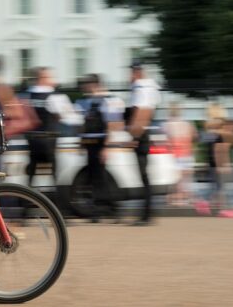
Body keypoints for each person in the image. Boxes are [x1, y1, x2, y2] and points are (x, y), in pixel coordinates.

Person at [75, 74, 125, 223]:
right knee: (93, 178)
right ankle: (98, 211)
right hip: (90, 143)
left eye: (86, 83)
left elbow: (112, 125)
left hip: (100, 143)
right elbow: (83, 124)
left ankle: (113, 209)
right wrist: (81, 142)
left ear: (95, 84)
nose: (84, 86)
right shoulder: (85, 102)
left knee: (102, 178)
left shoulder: (107, 100)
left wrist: (106, 147)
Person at [23, 67, 80, 187]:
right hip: (49, 138)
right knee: (53, 171)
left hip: (32, 139)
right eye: (50, 77)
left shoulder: (27, 95)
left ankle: (27, 198)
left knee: (32, 169)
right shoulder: (54, 96)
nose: (53, 80)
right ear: (42, 78)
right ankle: (56, 199)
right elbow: (69, 118)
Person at [125, 61, 161, 226]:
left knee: (143, 175)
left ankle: (146, 215)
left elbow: (142, 113)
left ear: (136, 73)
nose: (129, 77)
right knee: (144, 175)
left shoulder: (141, 88)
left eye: (131, 73)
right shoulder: (150, 88)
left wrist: (135, 137)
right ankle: (147, 213)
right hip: (143, 133)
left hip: (141, 135)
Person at [194, 104, 233, 218]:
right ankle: (226, 209)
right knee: (221, 187)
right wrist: (222, 165)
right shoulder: (218, 128)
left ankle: (207, 203)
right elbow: (219, 148)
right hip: (218, 163)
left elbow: (214, 145)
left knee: (217, 187)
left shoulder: (210, 128)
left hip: (214, 162)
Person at [163, 103, 197, 206]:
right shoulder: (187, 124)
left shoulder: (167, 124)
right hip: (187, 154)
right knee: (185, 179)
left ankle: (176, 198)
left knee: (176, 179)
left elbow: (166, 141)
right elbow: (194, 136)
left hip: (174, 155)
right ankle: (185, 197)